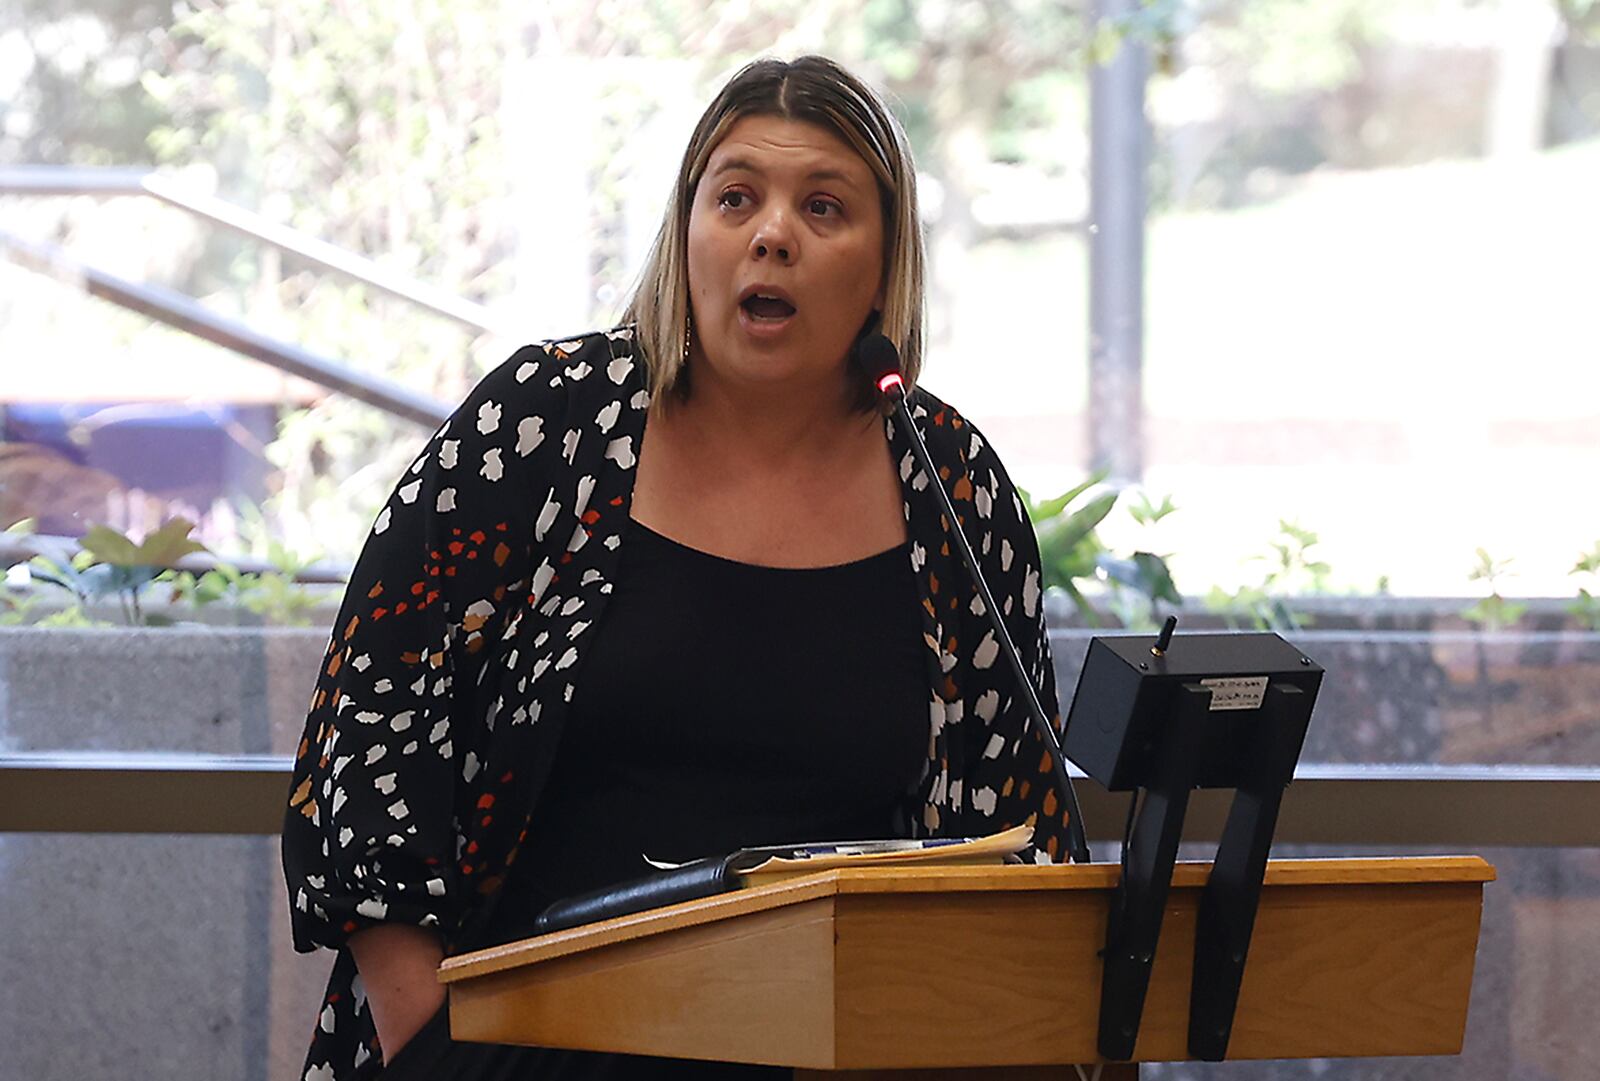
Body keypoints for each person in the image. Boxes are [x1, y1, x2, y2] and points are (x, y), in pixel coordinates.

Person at [282, 54, 1077, 1081]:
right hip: (517, 1043)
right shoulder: (548, 423)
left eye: (824, 207)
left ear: (884, 267)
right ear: (686, 232)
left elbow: (1017, 829)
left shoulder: (951, 483)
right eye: (735, 196)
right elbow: (369, 731)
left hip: (836, 1055)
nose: (772, 233)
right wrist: (430, 1039)